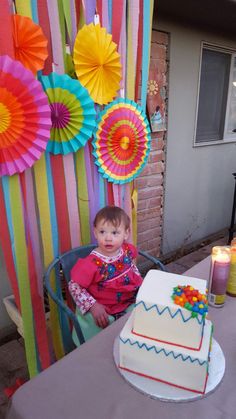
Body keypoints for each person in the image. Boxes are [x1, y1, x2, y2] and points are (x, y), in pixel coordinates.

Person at [68, 205, 143, 345]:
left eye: (115, 233)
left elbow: (131, 268)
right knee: (102, 342)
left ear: (126, 234)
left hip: (127, 302)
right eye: (103, 232)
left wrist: (140, 284)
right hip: (104, 308)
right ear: (95, 233)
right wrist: (92, 305)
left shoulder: (126, 251)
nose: (108, 238)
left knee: (144, 320)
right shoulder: (91, 263)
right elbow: (74, 285)